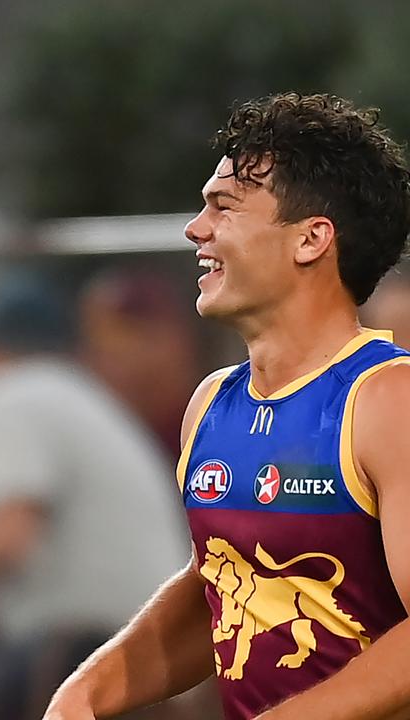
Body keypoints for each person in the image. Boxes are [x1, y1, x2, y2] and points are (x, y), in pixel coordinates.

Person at [44, 92, 410, 720]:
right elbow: (220, 588)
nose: (196, 228)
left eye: (224, 206)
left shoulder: (387, 400)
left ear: (311, 240)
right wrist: (84, 696)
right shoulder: (212, 402)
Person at [0, 276, 189, 719]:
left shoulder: (15, 395)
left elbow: (6, 539)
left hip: (99, 652)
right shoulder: (77, 394)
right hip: (165, 656)